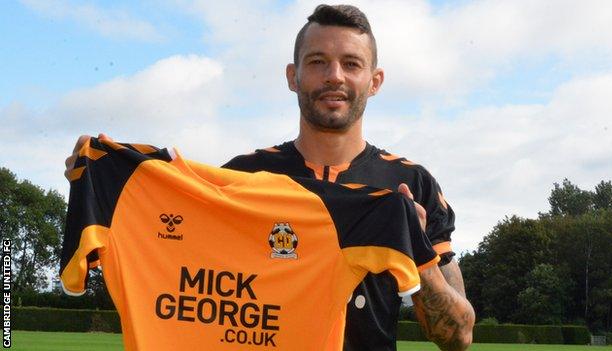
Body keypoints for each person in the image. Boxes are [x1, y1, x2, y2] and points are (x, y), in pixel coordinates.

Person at [65, 4, 474, 351]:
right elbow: (178, 271)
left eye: (351, 64)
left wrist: (419, 256)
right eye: (318, 62)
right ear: (293, 76)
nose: (335, 75)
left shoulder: (411, 184)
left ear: (374, 81)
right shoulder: (242, 176)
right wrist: (105, 188)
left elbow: (459, 338)